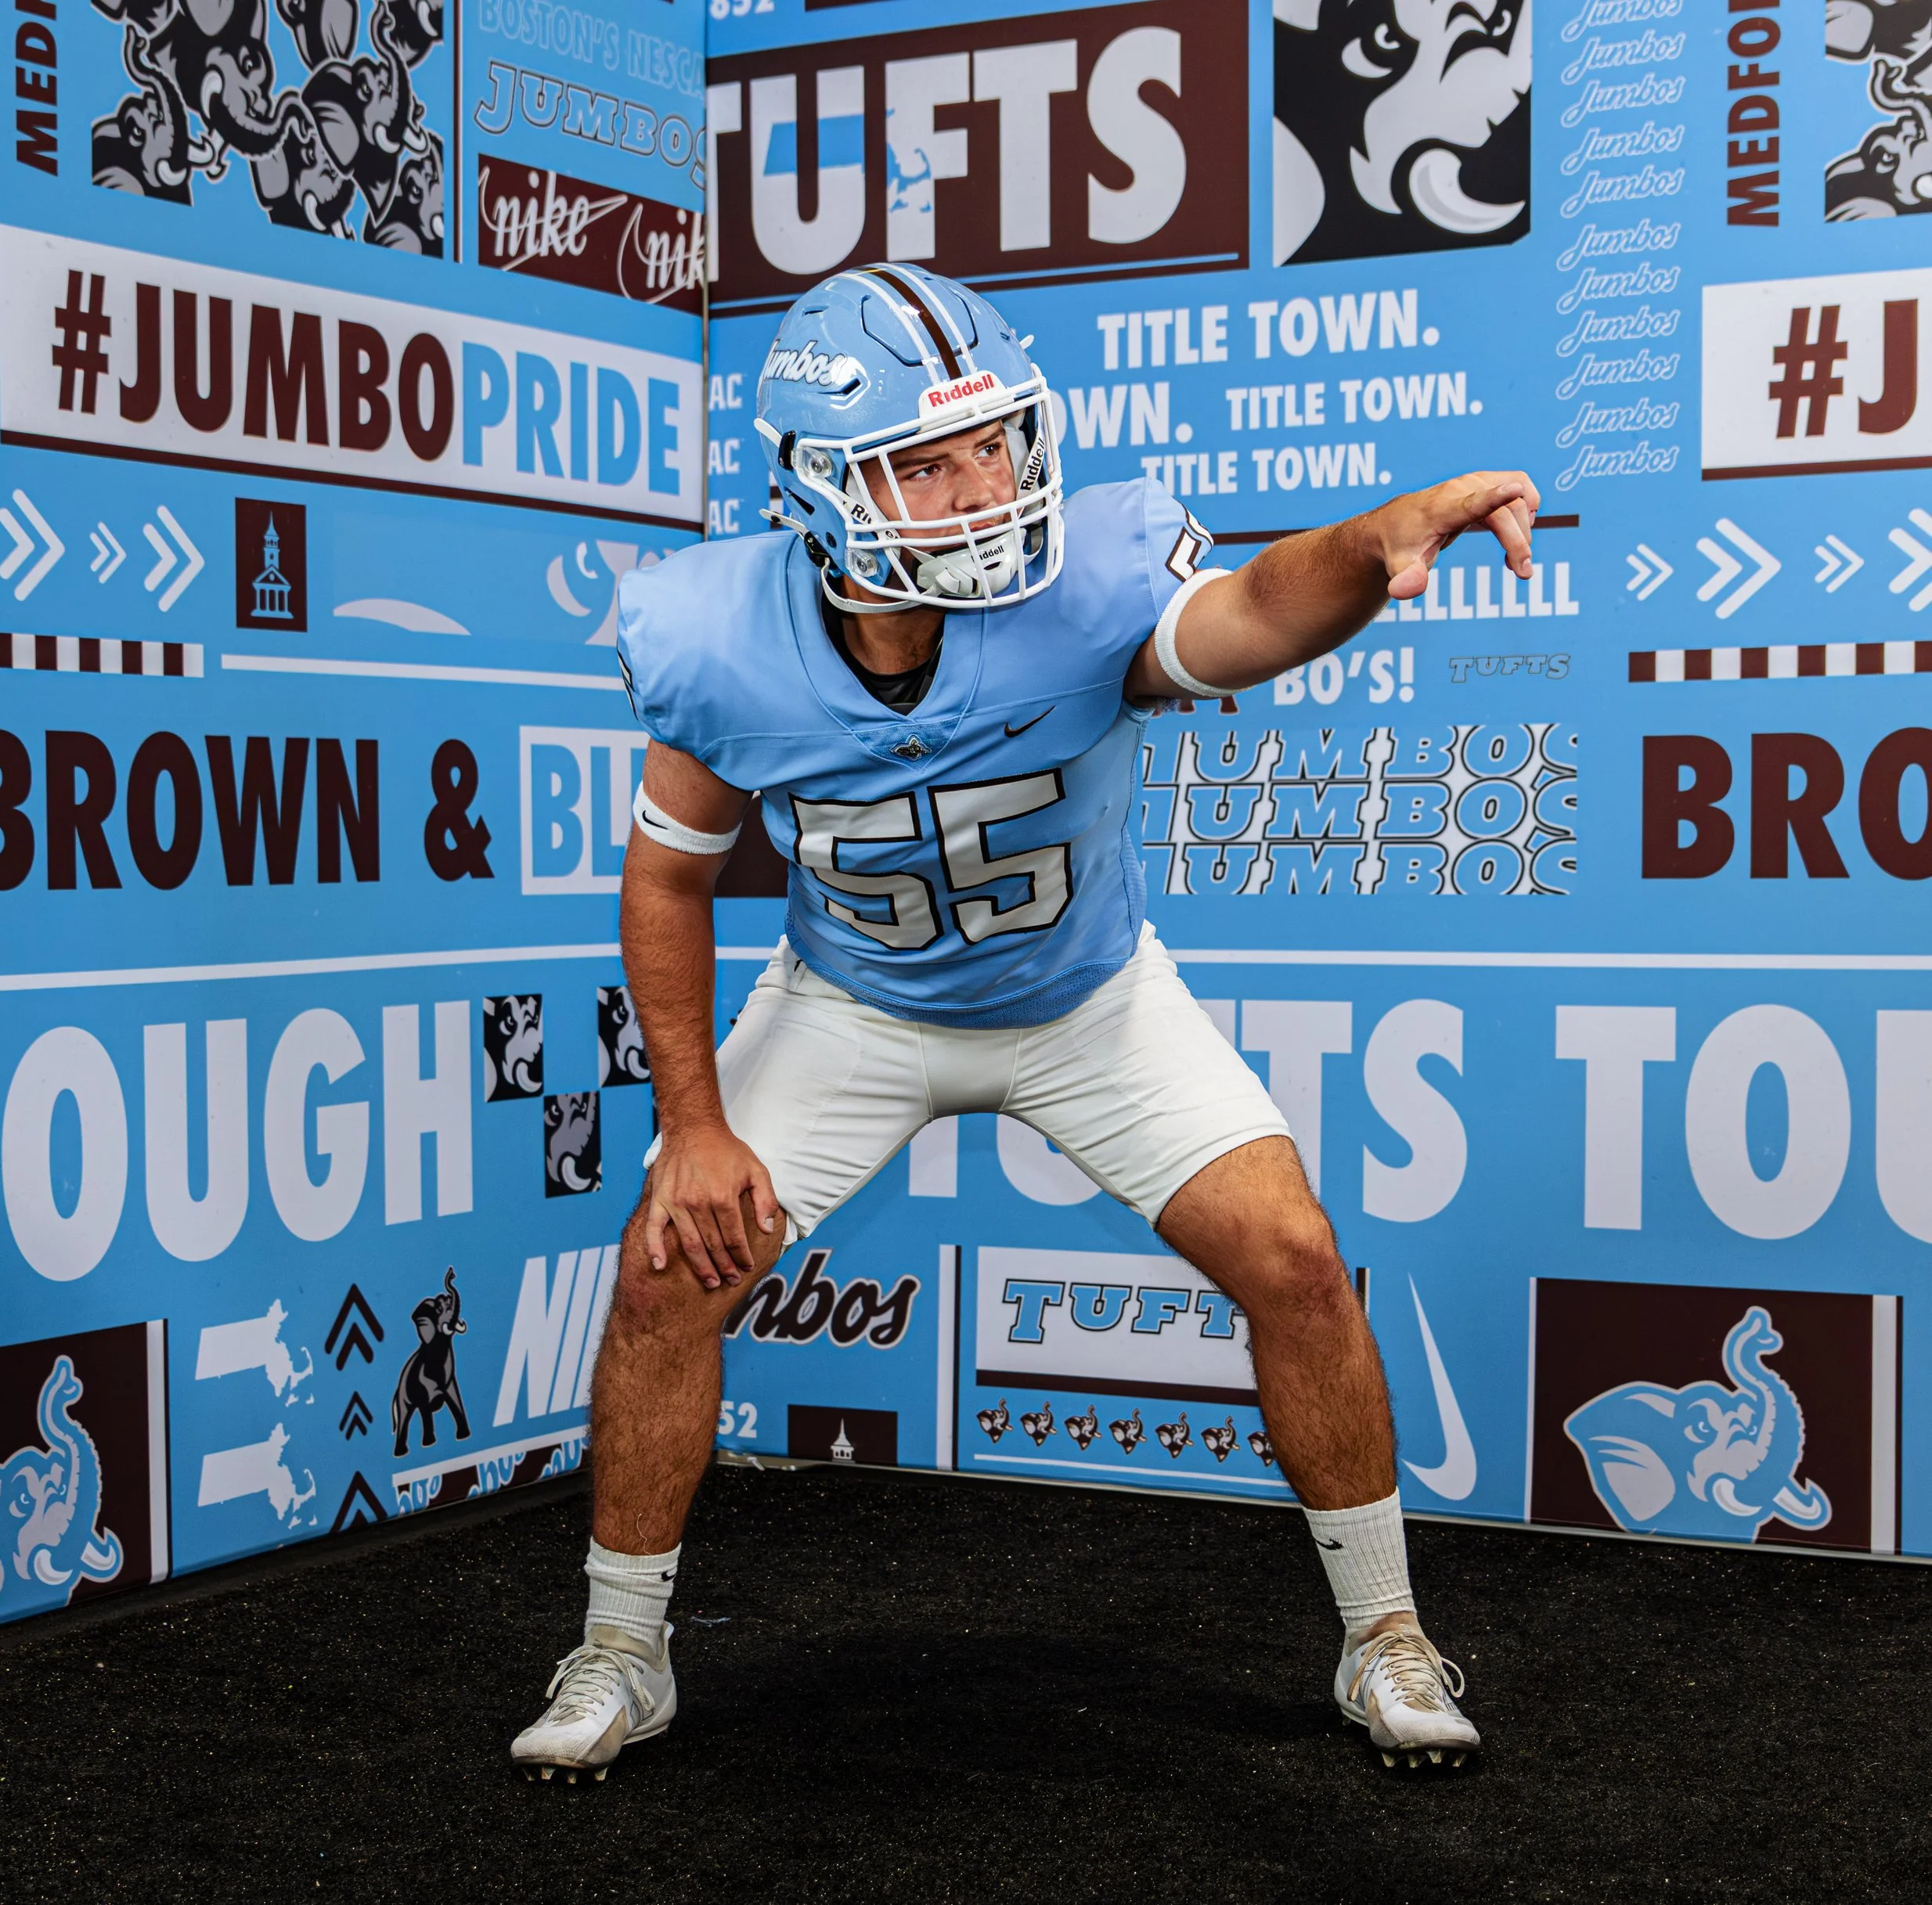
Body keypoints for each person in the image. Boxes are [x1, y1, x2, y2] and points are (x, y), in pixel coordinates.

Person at [510, 262, 1538, 1782]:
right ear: (816, 486)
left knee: (1298, 1260)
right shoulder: (722, 634)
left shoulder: (1085, 584)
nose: (982, 483)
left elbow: (1249, 608)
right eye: (926, 460)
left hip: (1083, 998)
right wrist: (693, 1125)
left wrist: (1365, 543)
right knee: (668, 1275)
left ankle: (1382, 1629)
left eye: (993, 440)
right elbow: (665, 882)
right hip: (848, 1004)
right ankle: (618, 1648)